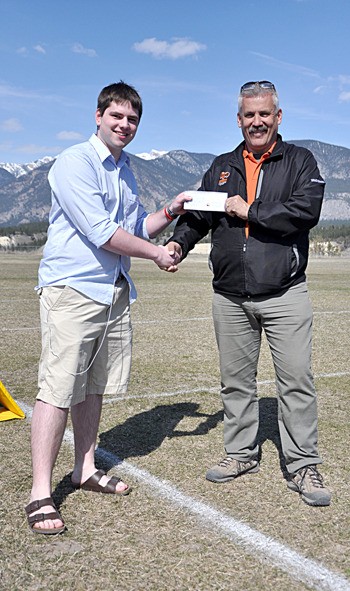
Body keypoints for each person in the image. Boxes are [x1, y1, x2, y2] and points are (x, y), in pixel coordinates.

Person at [25, 81, 190, 535]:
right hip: (74, 290)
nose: (125, 125)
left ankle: (84, 467)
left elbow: (136, 225)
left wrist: (171, 211)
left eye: (133, 119)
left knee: (93, 387)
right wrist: (156, 254)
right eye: (117, 116)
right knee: (58, 388)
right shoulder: (74, 162)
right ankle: (40, 491)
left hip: (113, 289)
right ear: (98, 116)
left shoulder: (125, 168)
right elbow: (101, 231)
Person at [165, 80, 331, 506]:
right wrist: (178, 243)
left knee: (295, 381)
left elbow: (304, 212)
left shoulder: (300, 161)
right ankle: (241, 453)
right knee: (236, 383)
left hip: (284, 293)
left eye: (264, 114)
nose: (256, 121)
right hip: (230, 296)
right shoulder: (221, 166)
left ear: (278, 117)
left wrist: (249, 210)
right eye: (248, 115)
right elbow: (200, 216)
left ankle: (303, 464)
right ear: (238, 119)